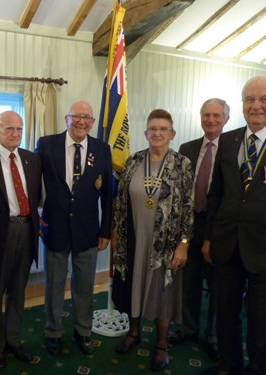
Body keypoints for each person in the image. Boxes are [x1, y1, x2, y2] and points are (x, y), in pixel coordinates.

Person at [200, 76, 266, 375]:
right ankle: (228, 365)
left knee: (262, 320)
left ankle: (257, 371)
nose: (256, 106)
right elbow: (215, 194)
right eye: (249, 99)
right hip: (227, 245)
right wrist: (209, 239)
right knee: (226, 314)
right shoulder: (230, 140)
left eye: (264, 99)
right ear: (242, 103)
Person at [112, 109, 194, 372]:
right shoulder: (134, 161)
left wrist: (183, 243)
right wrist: (116, 232)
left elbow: (188, 206)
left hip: (166, 243)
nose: (157, 133)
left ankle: (161, 344)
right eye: (152, 129)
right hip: (134, 237)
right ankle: (134, 333)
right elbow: (119, 201)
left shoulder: (182, 164)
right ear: (146, 133)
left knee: (162, 293)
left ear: (172, 134)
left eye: (162, 129)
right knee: (133, 286)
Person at [36, 101, 113, 356]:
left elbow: (108, 196)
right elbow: (33, 183)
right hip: (55, 229)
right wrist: (33, 217)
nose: (82, 121)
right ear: (66, 118)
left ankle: (83, 331)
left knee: (84, 287)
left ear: (92, 122)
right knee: (54, 285)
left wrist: (106, 230)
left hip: (87, 231)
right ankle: (53, 332)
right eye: (76, 116)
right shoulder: (46, 145)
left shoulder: (102, 149)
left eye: (87, 118)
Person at [0, 111, 41, 369]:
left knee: (18, 290)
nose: (15, 134)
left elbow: (37, 196)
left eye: (19, 129)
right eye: (9, 129)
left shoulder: (32, 160)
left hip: (27, 230)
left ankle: (14, 341)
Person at [168, 98, 230, 360]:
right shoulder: (187, 148)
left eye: (217, 115)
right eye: (207, 115)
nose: (211, 120)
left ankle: (214, 336)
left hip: (220, 227)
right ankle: (189, 328)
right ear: (201, 117)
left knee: (218, 285)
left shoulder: (234, 148)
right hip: (190, 223)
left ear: (226, 118)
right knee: (189, 280)